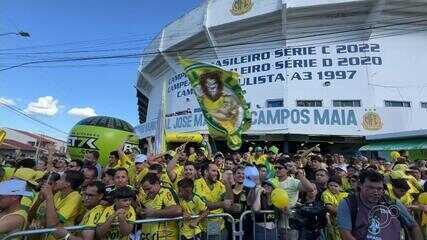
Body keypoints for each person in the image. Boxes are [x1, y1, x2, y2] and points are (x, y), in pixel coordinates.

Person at [337, 170, 423, 240]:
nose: (375, 192)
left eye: (379, 189)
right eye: (370, 188)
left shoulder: (391, 202)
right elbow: (346, 235)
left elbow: (413, 226)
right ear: (360, 185)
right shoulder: (348, 204)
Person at [136, 173, 182, 240]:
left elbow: (178, 210)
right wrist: (139, 211)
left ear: (157, 183)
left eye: (148, 189)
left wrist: (154, 212)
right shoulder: (145, 198)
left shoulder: (166, 191)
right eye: (144, 190)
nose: (146, 192)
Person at [194, 163, 233, 239]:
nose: (216, 173)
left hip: (220, 225)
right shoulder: (198, 183)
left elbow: (229, 202)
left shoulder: (219, 184)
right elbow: (203, 205)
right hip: (204, 225)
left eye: (217, 171)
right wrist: (221, 204)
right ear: (206, 172)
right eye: (214, 171)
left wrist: (227, 183)